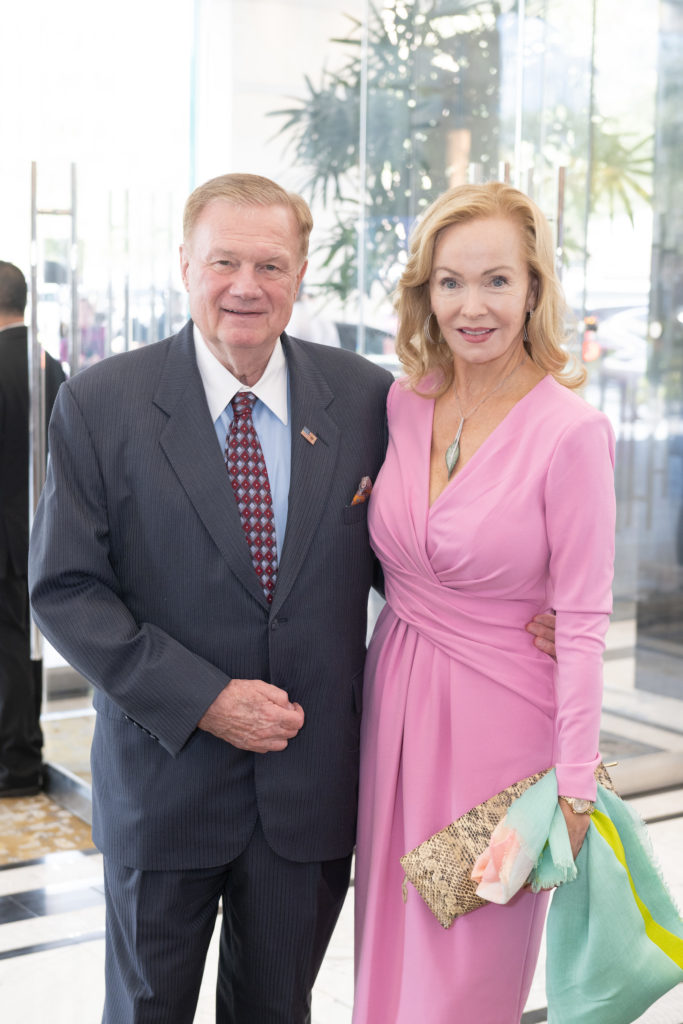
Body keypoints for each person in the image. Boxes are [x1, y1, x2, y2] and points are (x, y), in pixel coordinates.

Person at [28, 173, 555, 1024]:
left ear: (301, 272)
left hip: (309, 793)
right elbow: (66, 590)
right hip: (165, 788)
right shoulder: (101, 404)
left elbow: (414, 543)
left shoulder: (366, 398)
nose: (246, 285)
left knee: (278, 1010)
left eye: (269, 264)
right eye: (223, 261)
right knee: (145, 1009)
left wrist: (524, 609)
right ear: (184, 265)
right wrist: (205, 701)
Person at [352, 182, 615, 1024]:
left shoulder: (569, 431)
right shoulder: (403, 402)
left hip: (501, 734)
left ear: (533, 288)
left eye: (497, 281)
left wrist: (575, 790)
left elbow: (579, 624)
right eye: (450, 281)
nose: (473, 306)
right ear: (424, 292)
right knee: (388, 950)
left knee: (465, 972)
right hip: (392, 707)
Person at [0, 261, 65, 797]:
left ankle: (17, 764)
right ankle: (22, 754)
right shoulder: (48, 364)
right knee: (22, 650)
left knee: (12, 654)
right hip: (37, 530)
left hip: (6, 536)